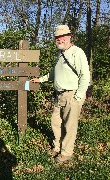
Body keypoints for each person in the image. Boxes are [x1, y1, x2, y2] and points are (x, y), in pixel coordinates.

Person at [31, 25, 90, 163]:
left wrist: (78, 96)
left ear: (69, 37)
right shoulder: (60, 53)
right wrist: (40, 79)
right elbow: (54, 73)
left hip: (72, 95)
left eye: (62, 36)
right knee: (55, 122)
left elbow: (85, 76)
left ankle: (66, 152)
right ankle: (57, 146)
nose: (59, 39)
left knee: (69, 126)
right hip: (59, 95)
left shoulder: (77, 52)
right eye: (57, 37)